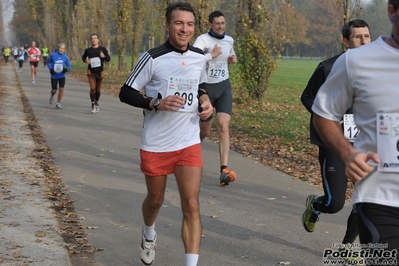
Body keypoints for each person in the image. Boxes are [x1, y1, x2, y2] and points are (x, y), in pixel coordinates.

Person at [119, 2, 213, 265]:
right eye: (179, 23)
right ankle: (148, 233)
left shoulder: (198, 56)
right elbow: (125, 92)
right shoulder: (152, 57)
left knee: (191, 205)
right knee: (156, 200)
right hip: (157, 143)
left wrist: (206, 103)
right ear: (168, 25)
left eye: (190, 24)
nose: (185, 29)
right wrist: (155, 103)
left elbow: (200, 85)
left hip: (188, 141)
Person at [312, 0, 399, 264]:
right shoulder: (356, 61)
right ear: (392, 12)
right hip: (381, 199)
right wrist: (347, 153)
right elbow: (324, 113)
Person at [301, 19, 371, 248]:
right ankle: (315, 206)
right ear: (345, 41)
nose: (364, 41)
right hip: (334, 141)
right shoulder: (328, 67)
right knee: (335, 204)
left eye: (367, 36)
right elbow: (307, 96)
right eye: (358, 37)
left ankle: (346, 247)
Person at [193, 10, 238, 186]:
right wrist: (210, 55)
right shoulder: (203, 40)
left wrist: (232, 59)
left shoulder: (229, 40)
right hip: (206, 88)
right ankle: (187, 155)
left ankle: (223, 170)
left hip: (223, 86)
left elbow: (230, 55)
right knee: (204, 131)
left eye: (223, 23)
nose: (221, 26)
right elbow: (193, 60)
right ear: (209, 24)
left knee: (224, 126)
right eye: (217, 23)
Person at [81, 34, 110, 113]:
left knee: (98, 89)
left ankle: (96, 102)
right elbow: (83, 57)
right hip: (91, 72)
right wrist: (86, 61)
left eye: (95, 38)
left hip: (100, 72)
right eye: (92, 38)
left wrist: (103, 56)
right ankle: (93, 104)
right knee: (93, 88)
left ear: (98, 40)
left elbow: (108, 58)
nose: (93, 40)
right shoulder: (88, 50)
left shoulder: (102, 49)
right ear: (90, 40)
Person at [47, 43, 72, 110]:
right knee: (54, 90)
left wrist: (67, 69)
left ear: (64, 49)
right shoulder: (53, 55)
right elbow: (48, 62)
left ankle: (58, 103)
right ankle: (52, 95)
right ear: (58, 48)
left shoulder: (65, 57)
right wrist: (51, 68)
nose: (61, 50)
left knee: (61, 89)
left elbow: (69, 66)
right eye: (60, 48)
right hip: (54, 75)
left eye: (63, 48)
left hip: (62, 75)